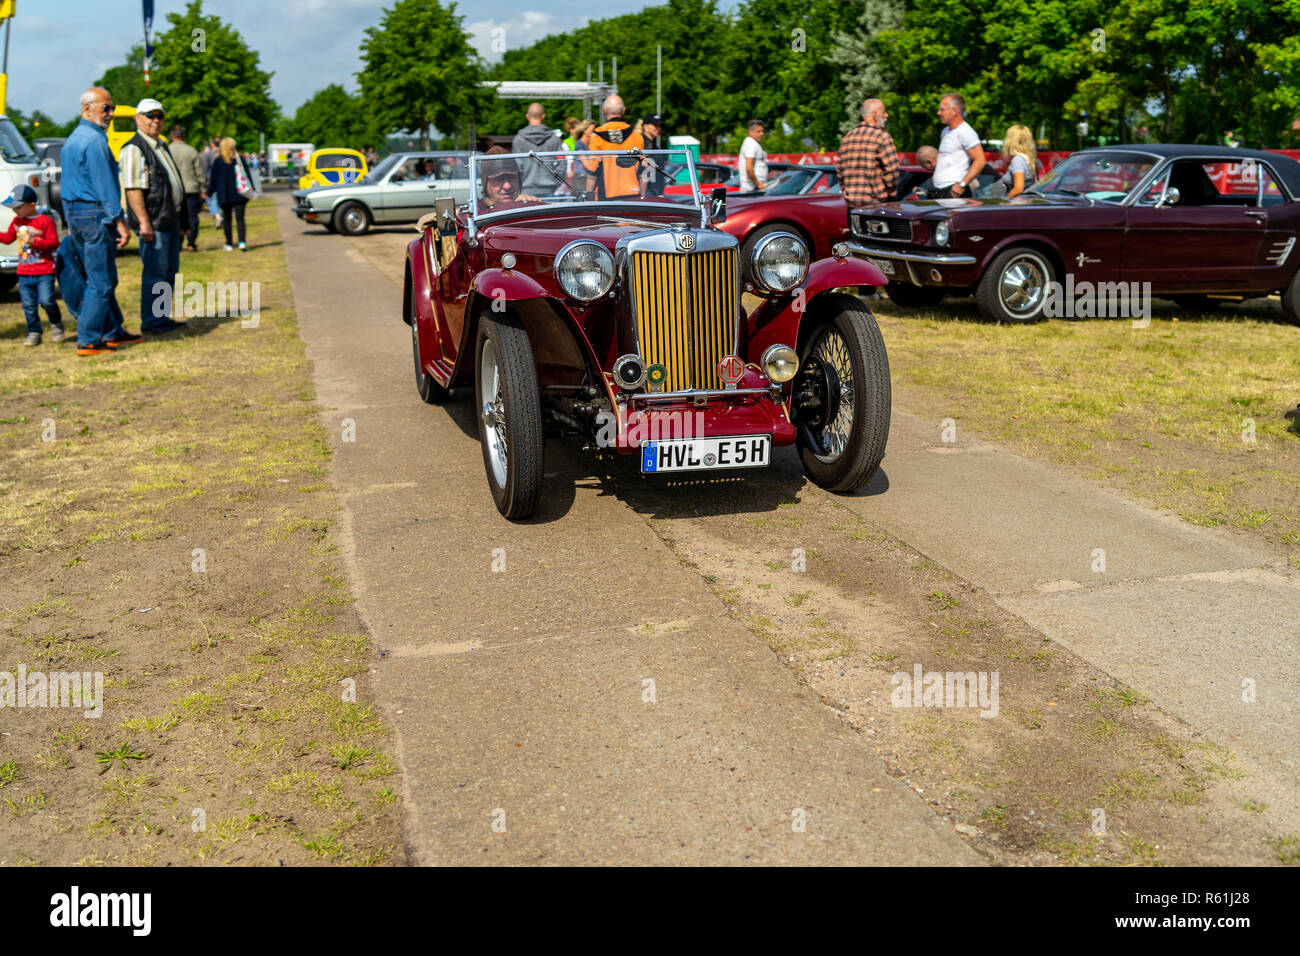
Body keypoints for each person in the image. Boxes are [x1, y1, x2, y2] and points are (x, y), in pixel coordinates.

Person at [60, 86, 136, 356]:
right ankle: (89, 339)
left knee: (105, 278)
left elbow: (66, 186)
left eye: (112, 107)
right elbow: (106, 187)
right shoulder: (95, 141)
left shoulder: (72, 140)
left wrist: (71, 221)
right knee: (100, 282)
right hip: (94, 216)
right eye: (106, 108)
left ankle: (113, 331)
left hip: (78, 216)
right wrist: (120, 221)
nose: (111, 113)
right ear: (87, 108)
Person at [120, 98, 189, 335]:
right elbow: (133, 189)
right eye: (151, 116)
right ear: (138, 118)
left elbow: (173, 185)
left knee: (169, 272)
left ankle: (161, 317)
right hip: (155, 223)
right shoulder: (135, 148)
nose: (156, 121)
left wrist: (183, 220)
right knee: (155, 273)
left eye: (160, 116)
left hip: (169, 220)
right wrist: (144, 222)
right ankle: (152, 321)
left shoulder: (161, 145)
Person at [0, 185, 62, 346]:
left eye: (18, 207)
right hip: (24, 270)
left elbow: (53, 243)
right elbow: (8, 238)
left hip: (44, 269)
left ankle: (56, 323)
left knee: (46, 300)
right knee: (28, 305)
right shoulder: (17, 221)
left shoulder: (44, 221)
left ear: (32, 205)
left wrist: (35, 242)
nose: (15, 211)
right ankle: (34, 332)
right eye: (13, 208)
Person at [836, 98, 899, 206]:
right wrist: (891, 191)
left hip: (852, 204)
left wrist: (846, 191)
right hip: (875, 203)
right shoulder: (882, 136)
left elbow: (840, 171)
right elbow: (892, 171)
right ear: (875, 115)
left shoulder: (848, 137)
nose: (886, 115)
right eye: (883, 112)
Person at [583, 95, 644, 199]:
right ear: (623, 111)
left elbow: (593, 170)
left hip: (606, 196)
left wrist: (588, 196)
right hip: (632, 193)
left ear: (604, 111)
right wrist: (643, 196)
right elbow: (642, 170)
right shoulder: (636, 136)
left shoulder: (597, 136)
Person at [931, 93, 985, 199]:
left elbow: (980, 160)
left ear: (954, 111)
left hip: (954, 192)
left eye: (942, 109)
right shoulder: (945, 131)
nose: (938, 113)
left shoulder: (965, 132)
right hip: (941, 190)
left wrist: (962, 184)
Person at [207, 137, 252, 251]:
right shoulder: (239, 158)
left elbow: (213, 179)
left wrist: (209, 192)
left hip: (224, 194)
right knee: (240, 219)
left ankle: (229, 243)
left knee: (227, 220)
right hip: (239, 193)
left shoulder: (218, 160)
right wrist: (251, 188)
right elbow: (247, 175)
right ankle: (242, 242)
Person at [511, 102, 563, 196]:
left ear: (527, 116)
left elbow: (516, 166)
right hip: (550, 189)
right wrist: (556, 182)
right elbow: (562, 163)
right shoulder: (554, 139)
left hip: (525, 191)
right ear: (543, 116)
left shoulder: (519, 139)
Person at [167, 125, 204, 252]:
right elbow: (199, 171)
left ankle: (177, 244)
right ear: (184, 135)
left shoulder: (166, 150)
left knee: (175, 218)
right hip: (190, 188)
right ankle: (191, 243)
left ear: (172, 135)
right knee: (192, 217)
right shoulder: (191, 150)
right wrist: (203, 186)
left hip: (172, 190)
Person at [1000, 124, 1037, 198]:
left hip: (1016, 203)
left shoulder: (1017, 160)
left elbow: (1018, 188)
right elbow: (1035, 184)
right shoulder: (1029, 159)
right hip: (1026, 202)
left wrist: (1005, 201)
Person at [639, 113, 669, 196]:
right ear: (645, 126)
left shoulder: (656, 148)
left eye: (659, 125)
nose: (658, 128)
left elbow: (659, 175)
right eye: (655, 125)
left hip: (655, 194)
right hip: (645, 194)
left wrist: (660, 193)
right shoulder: (640, 146)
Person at [738, 120, 769, 193]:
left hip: (754, 188)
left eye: (762, 131)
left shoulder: (753, 143)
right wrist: (758, 184)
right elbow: (749, 168)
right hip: (752, 190)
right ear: (750, 132)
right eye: (758, 131)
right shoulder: (751, 144)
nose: (762, 134)